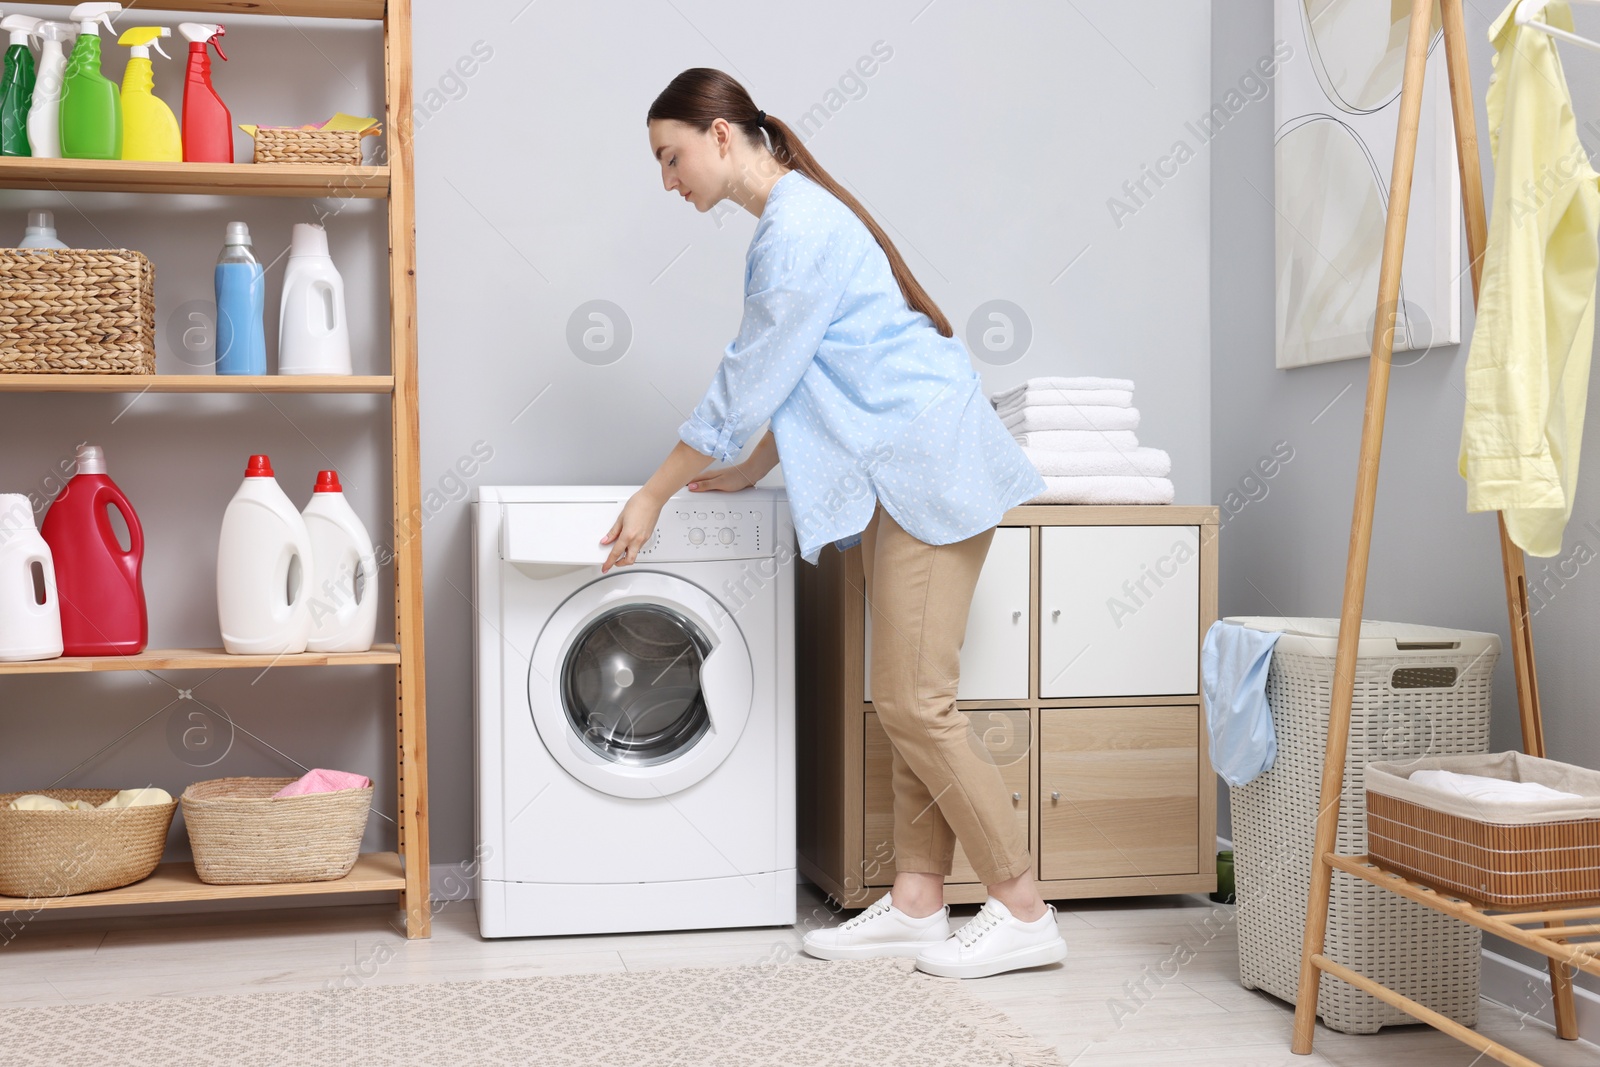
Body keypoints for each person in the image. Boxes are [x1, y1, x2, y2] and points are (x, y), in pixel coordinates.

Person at [601, 67, 1063, 980]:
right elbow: (812, 369)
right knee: (902, 702)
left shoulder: (795, 229)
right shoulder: (796, 220)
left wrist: (656, 490)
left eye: (671, 156)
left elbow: (746, 378)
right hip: (900, 468)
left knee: (914, 702)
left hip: (926, 462)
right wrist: (752, 468)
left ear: (722, 136)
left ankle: (1023, 908)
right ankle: (919, 900)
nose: (668, 180)